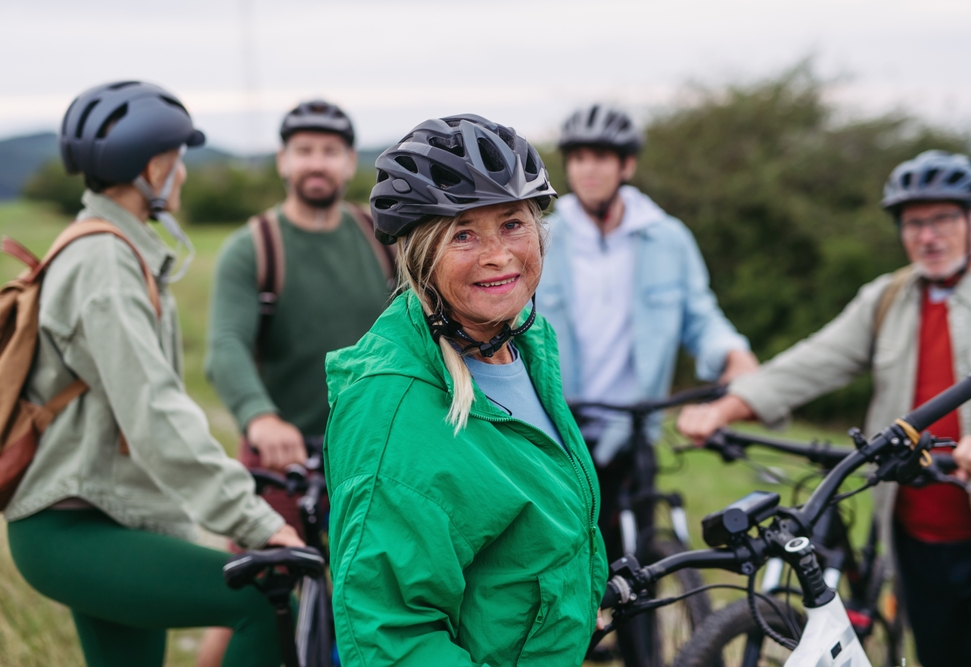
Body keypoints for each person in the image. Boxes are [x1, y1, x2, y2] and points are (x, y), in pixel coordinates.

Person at [4, 81, 301, 667]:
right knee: (263, 601)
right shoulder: (104, 263)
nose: (184, 175)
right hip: (74, 527)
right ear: (155, 166)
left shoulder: (110, 249)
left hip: (98, 520)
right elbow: (155, 413)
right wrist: (258, 523)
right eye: (179, 160)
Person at [679, 150, 971, 667]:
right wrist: (730, 406)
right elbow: (817, 360)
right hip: (914, 535)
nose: (927, 236)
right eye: (913, 222)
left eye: (942, 218)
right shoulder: (889, 298)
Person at [323, 114, 607, 666]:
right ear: (420, 255)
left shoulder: (525, 341)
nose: (498, 254)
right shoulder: (394, 410)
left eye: (513, 224)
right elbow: (394, 640)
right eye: (464, 234)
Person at [199, 99, 394, 665]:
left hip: (369, 451)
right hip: (283, 454)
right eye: (304, 150)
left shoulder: (377, 235)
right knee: (259, 590)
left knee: (378, 597)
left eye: (330, 151)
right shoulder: (255, 245)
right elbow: (226, 347)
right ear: (283, 161)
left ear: (349, 161)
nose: (317, 162)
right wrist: (260, 417)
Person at [536, 103, 757, 556]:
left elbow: (700, 315)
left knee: (637, 567)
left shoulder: (667, 238)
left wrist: (734, 354)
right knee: (560, 563)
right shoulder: (541, 238)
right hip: (558, 427)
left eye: (600, 156)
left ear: (627, 165)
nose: (587, 169)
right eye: (577, 157)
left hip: (633, 430)